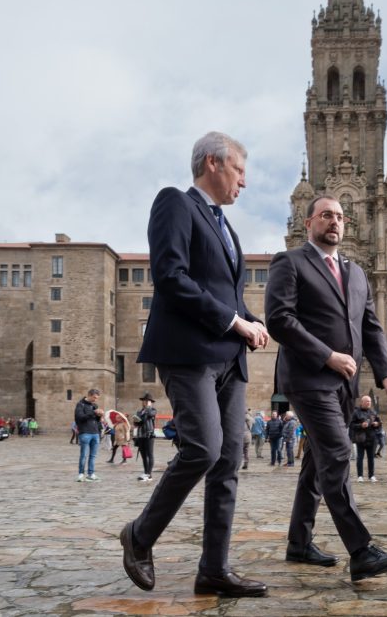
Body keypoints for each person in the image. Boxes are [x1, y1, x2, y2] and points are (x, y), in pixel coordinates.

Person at [120, 131, 270, 597]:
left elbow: (228, 294)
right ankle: (139, 535)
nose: (244, 182)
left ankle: (214, 570)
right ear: (212, 163)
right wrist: (234, 321)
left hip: (230, 361)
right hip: (189, 355)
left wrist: (250, 319)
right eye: (239, 171)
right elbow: (171, 276)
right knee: (203, 448)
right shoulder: (175, 203)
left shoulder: (228, 228)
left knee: (228, 461)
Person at [265, 194, 387, 582]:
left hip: (346, 384)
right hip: (308, 378)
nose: (335, 222)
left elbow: (371, 326)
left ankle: (299, 543)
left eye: (341, 217)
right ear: (309, 221)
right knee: (336, 454)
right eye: (327, 215)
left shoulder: (357, 272)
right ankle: (361, 551)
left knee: (316, 462)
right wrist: (327, 355)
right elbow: (279, 319)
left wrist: (385, 373)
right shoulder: (291, 262)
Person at [74, 389, 104, 483]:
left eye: (97, 398)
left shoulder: (95, 405)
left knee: (93, 456)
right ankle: (81, 474)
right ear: (89, 395)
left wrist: (99, 416)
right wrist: (93, 413)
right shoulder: (80, 404)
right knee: (84, 455)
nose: (95, 400)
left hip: (95, 433)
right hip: (85, 432)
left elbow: (96, 420)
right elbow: (79, 418)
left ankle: (91, 474)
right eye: (94, 397)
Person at [350, 395, 381, 481]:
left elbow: (379, 423)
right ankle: (360, 476)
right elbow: (351, 425)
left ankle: (371, 475)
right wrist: (361, 425)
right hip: (361, 438)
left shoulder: (373, 412)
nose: (369, 403)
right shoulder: (356, 412)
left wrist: (377, 424)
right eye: (367, 401)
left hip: (372, 438)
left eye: (370, 401)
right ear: (362, 402)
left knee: (371, 458)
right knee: (360, 458)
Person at [131, 393, 156, 482]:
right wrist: (135, 421)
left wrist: (148, 407)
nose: (145, 402)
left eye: (147, 401)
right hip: (140, 435)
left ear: (150, 402)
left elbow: (150, 415)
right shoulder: (139, 411)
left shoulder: (152, 410)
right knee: (143, 455)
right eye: (144, 401)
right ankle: (146, 472)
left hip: (149, 435)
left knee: (150, 454)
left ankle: (149, 474)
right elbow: (138, 423)